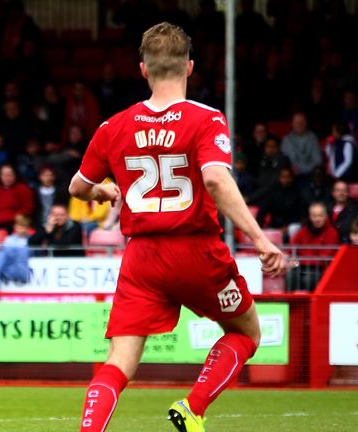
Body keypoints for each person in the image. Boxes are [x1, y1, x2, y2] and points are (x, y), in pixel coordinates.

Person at [67, 22, 285, 432]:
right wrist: (260, 240)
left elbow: (78, 186)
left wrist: (103, 193)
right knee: (246, 332)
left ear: (143, 70)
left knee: (119, 361)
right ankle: (193, 408)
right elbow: (217, 179)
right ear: (189, 67)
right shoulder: (206, 119)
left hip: (142, 256)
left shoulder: (113, 126)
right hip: (195, 249)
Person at [288, 202, 340, 292]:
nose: (317, 219)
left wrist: (301, 259)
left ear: (326, 216)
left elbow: (324, 257)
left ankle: (309, 305)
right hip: (302, 267)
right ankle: (289, 303)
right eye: (314, 216)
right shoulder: (303, 231)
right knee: (291, 275)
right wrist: (294, 260)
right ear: (310, 217)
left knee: (308, 279)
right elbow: (291, 249)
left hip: (320, 269)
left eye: (320, 216)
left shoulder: (332, 233)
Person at [0, 214, 32, 291]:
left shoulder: (31, 239)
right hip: (6, 260)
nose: (20, 229)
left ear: (27, 228)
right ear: (15, 227)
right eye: (18, 226)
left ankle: (7, 273)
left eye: (23, 227)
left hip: (17, 262)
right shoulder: (9, 239)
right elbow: (3, 249)